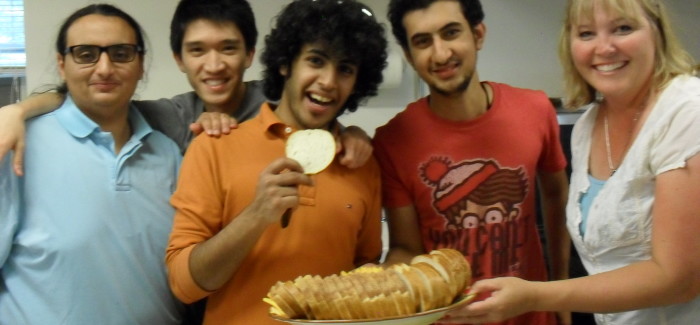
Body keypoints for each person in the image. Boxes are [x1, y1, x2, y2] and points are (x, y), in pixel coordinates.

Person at [447, 0, 700, 324]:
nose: (604, 48)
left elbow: (678, 280)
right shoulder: (588, 126)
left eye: (623, 28)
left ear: (657, 32)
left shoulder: (685, 112)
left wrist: (536, 295)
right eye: (586, 33)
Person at [164, 0, 388, 324]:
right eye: (315, 60)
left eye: (345, 69)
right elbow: (184, 285)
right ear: (285, 64)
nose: (328, 81)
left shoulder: (360, 162)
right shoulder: (213, 148)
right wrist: (255, 215)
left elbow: (365, 267)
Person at [0, 0, 373, 176]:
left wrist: (349, 131)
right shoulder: (169, 116)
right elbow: (93, 94)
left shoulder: (275, 99)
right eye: (197, 51)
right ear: (179, 59)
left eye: (228, 48)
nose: (214, 66)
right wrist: (16, 110)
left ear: (249, 54)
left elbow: (319, 104)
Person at [373, 0, 571, 324]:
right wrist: (384, 281)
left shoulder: (535, 110)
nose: (440, 54)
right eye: (423, 42)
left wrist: (560, 285)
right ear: (409, 56)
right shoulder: (392, 141)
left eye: (451, 33)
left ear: (478, 34)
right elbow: (406, 247)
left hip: (533, 316)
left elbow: (556, 196)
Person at [0, 4, 183, 324]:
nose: (104, 68)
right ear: (62, 64)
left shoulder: (167, 153)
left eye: (121, 53)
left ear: (141, 65)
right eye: (86, 54)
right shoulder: (17, 147)